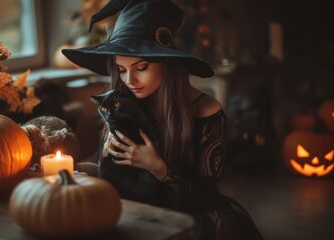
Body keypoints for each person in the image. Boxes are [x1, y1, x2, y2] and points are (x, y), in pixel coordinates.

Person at [62, 0, 263, 239]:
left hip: (191, 214)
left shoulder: (206, 110)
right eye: (122, 70)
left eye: (141, 67)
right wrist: (106, 154)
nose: (130, 80)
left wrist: (159, 169)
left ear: (166, 62)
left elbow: (205, 196)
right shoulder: (123, 102)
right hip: (139, 206)